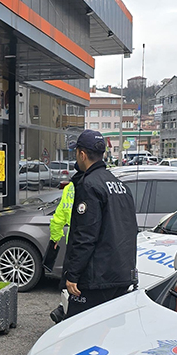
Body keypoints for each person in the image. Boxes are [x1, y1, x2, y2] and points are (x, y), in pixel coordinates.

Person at [62, 129, 138, 318]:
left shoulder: (89, 185)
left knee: (79, 331)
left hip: (96, 278)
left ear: (82, 154)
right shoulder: (119, 185)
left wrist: (73, 275)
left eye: (76, 153)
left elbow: (86, 235)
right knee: (108, 334)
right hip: (120, 274)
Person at [46, 138, 77, 323]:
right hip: (88, 243)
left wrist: (55, 238)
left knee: (69, 281)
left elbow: (58, 218)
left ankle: (63, 310)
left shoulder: (70, 189)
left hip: (73, 243)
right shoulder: (94, 187)